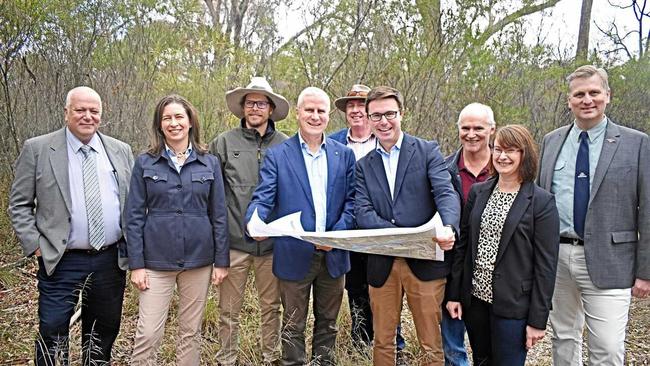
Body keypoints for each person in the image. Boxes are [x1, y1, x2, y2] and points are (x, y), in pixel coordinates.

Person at [8, 86, 133, 365]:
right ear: (66, 113)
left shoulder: (120, 150)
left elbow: (132, 203)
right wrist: (36, 245)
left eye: (93, 111)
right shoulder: (39, 149)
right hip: (60, 258)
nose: (87, 116)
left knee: (103, 332)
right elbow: (19, 204)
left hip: (110, 259)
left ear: (101, 115)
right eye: (80, 110)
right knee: (52, 329)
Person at [538, 65, 650, 365]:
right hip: (558, 257)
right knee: (563, 338)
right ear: (569, 100)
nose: (587, 100)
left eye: (594, 93)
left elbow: (648, 210)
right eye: (579, 94)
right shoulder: (552, 142)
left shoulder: (636, 143)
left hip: (611, 261)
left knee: (609, 347)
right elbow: (540, 202)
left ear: (607, 96)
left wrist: (645, 271)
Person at [245, 87, 356, 366]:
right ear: (298, 113)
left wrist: (338, 234)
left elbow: (353, 201)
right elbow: (264, 196)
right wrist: (254, 221)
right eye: (309, 110)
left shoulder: (344, 155)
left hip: (333, 254)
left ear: (329, 117)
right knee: (293, 325)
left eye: (321, 111)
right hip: (294, 253)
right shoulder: (278, 155)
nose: (315, 116)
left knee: (328, 323)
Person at [355, 86, 460, 366]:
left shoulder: (426, 151)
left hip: (424, 261)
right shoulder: (364, 165)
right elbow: (362, 211)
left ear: (402, 114)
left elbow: (445, 193)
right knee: (383, 340)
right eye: (376, 116)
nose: (384, 121)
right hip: (382, 265)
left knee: (430, 342)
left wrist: (449, 226)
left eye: (390, 113)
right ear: (367, 119)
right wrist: (398, 236)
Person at [126, 94, 229, 365]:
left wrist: (222, 261)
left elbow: (218, 214)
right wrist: (136, 264)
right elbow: (134, 216)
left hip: (199, 260)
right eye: (167, 118)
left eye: (179, 117)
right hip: (155, 262)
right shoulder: (145, 162)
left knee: (190, 332)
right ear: (159, 126)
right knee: (148, 333)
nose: (174, 123)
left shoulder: (210, 163)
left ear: (190, 121)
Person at [446, 124, 560, 365]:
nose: (502, 156)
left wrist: (538, 320)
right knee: (481, 361)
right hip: (476, 300)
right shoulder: (479, 192)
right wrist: (455, 294)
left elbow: (546, 266)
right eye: (497, 149)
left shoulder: (541, 202)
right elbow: (463, 247)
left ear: (524, 155)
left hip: (513, 305)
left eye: (511, 150)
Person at [209, 77, 289, 365]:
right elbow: (214, 194)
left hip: (272, 245)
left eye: (261, 103)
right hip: (235, 243)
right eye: (250, 102)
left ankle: (271, 357)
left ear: (270, 109)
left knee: (272, 307)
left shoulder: (285, 145)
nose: (255, 108)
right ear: (242, 108)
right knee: (229, 309)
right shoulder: (224, 142)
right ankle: (226, 358)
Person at [330, 84, 406, 356]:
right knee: (356, 288)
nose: (355, 110)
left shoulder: (386, 139)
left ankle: (393, 346)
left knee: (388, 289)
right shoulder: (334, 142)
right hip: (350, 230)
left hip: (383, 229)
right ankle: (361, 346)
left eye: (360, 104)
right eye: (350, 105)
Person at [442, 102, 496, 366]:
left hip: (492, 269)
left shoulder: (506, 169)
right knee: (453, 346)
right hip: (452, 266)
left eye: (478, 128)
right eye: (465, 128)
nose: (471, 134)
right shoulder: (443, 169)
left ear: (492, 130)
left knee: (487, 346)